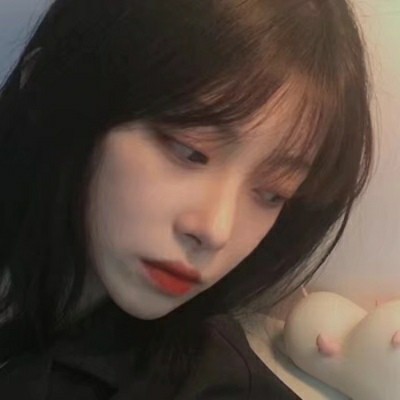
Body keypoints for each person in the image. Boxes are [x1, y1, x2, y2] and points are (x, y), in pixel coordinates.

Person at [0, 0, 373, 398]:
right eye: (190, 151)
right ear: (53, 96)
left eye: (272, 192)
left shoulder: (212, 382)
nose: (216, 230)